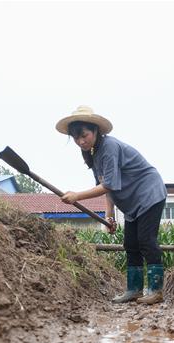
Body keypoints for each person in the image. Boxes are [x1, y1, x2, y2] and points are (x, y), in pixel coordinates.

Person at [57, 106, 167, 305]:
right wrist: (110, 217)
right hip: (133, 202)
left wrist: (77, 196)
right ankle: (134, 290)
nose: (81, 141)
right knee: (130, 244)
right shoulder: (94, 154)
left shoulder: (109, 147)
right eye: (76, 138)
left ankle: (156, 290)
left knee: (145, 240)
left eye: (84, 135)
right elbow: (106, 186)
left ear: (96, 131)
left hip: (149, 193)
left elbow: (108, 184)